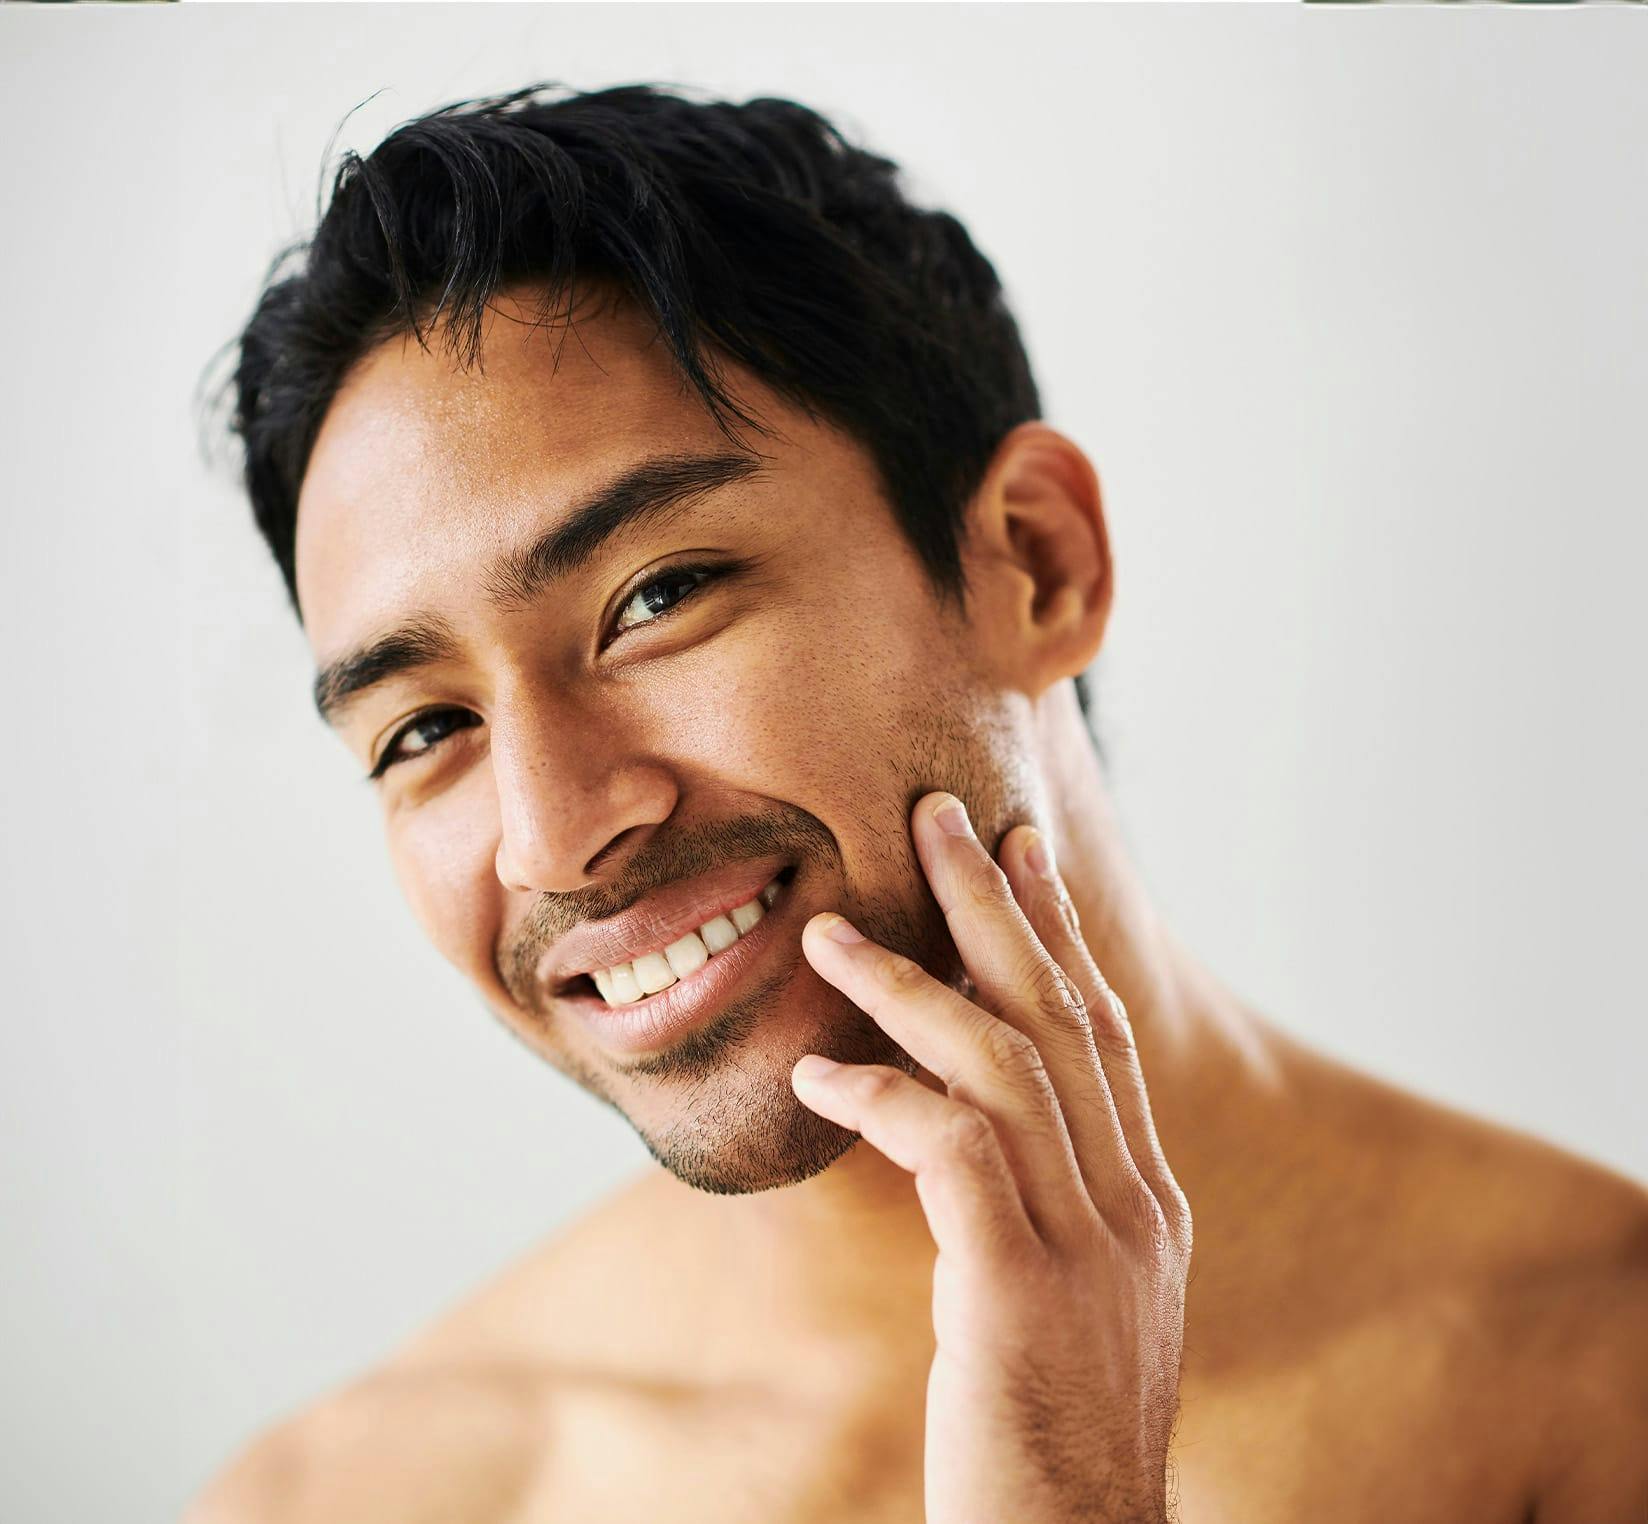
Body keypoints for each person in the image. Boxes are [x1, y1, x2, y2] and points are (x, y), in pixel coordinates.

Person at [188, 82, 1647, 1523]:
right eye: (425, 728)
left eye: (657, 597)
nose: (555, 830)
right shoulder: (354, 1497)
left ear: (1035, 563)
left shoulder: (1592, 1383)